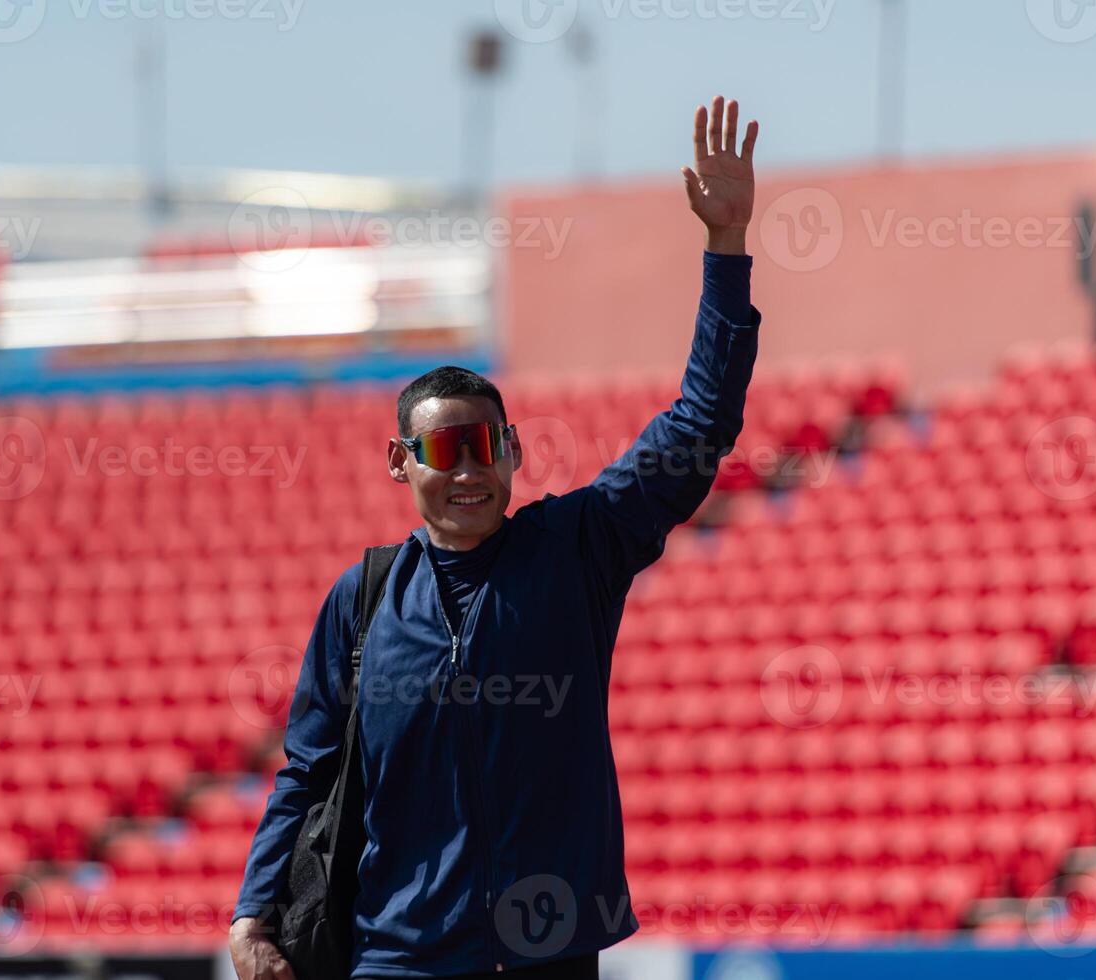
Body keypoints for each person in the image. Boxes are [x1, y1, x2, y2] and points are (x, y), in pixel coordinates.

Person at [230, 97, 763, 980]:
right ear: (401, 463)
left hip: (544, 953)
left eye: (485, 445)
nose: (468, 469)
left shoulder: (577, 549)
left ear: (512, 451)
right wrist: (255, 911)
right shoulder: (359, 602)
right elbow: (308, 772)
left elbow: (702, 419)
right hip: (395, 957)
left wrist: (727, 248)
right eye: (444, 449)